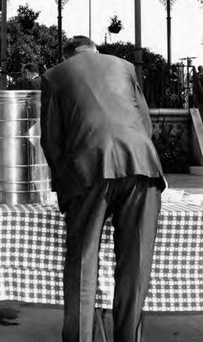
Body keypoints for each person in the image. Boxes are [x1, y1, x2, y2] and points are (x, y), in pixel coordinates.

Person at [40, 36, 166, 342]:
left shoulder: (55, 76)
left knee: (83, 264)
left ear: (69, 56)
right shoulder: (124, 67)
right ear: (95, 50)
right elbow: (146, 125)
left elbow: (52, 141)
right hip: (142, 165)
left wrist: (64, 190)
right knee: (134, 269)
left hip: (89, 169)